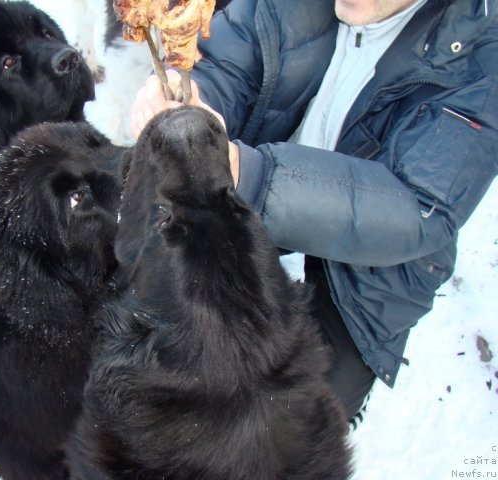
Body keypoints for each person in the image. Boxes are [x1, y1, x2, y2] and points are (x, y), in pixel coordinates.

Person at [129, 0, 498, 423]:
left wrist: (247, 173)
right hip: (254, 175)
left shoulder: (483, 56)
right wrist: (189, 94)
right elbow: (234, 60)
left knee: (299, 420)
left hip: (374, 265)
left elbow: (416, 203)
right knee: (152, 320)